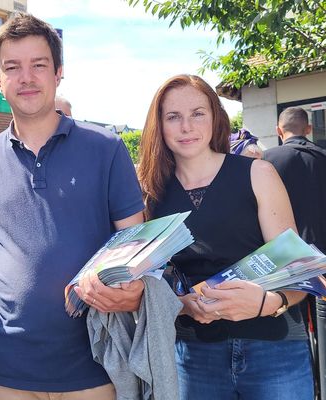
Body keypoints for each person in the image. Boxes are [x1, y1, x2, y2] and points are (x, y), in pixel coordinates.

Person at [0, 13, 145, 400]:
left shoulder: (106, 149)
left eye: (38, 65)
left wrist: (136, 290)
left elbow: (135, 246)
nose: (26, 77)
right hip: (8, 369)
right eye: (12, 67)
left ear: (58, 72)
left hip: (95, 364)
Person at [137, 74, 313, 399]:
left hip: (273, 347)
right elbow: (149, 280)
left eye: (197, 113)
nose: (186, 126)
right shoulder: (150, 194)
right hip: (193, 352)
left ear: (215, 117)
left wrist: (267, 302)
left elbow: (298, 272)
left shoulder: (257, 174)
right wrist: (180, 304)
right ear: (158, 125)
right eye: (173, 116)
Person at [263, 107, 326, 253]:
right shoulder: (323, 157)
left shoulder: (265, 161)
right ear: (309, 129)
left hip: (288, 251)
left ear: (278, 131)